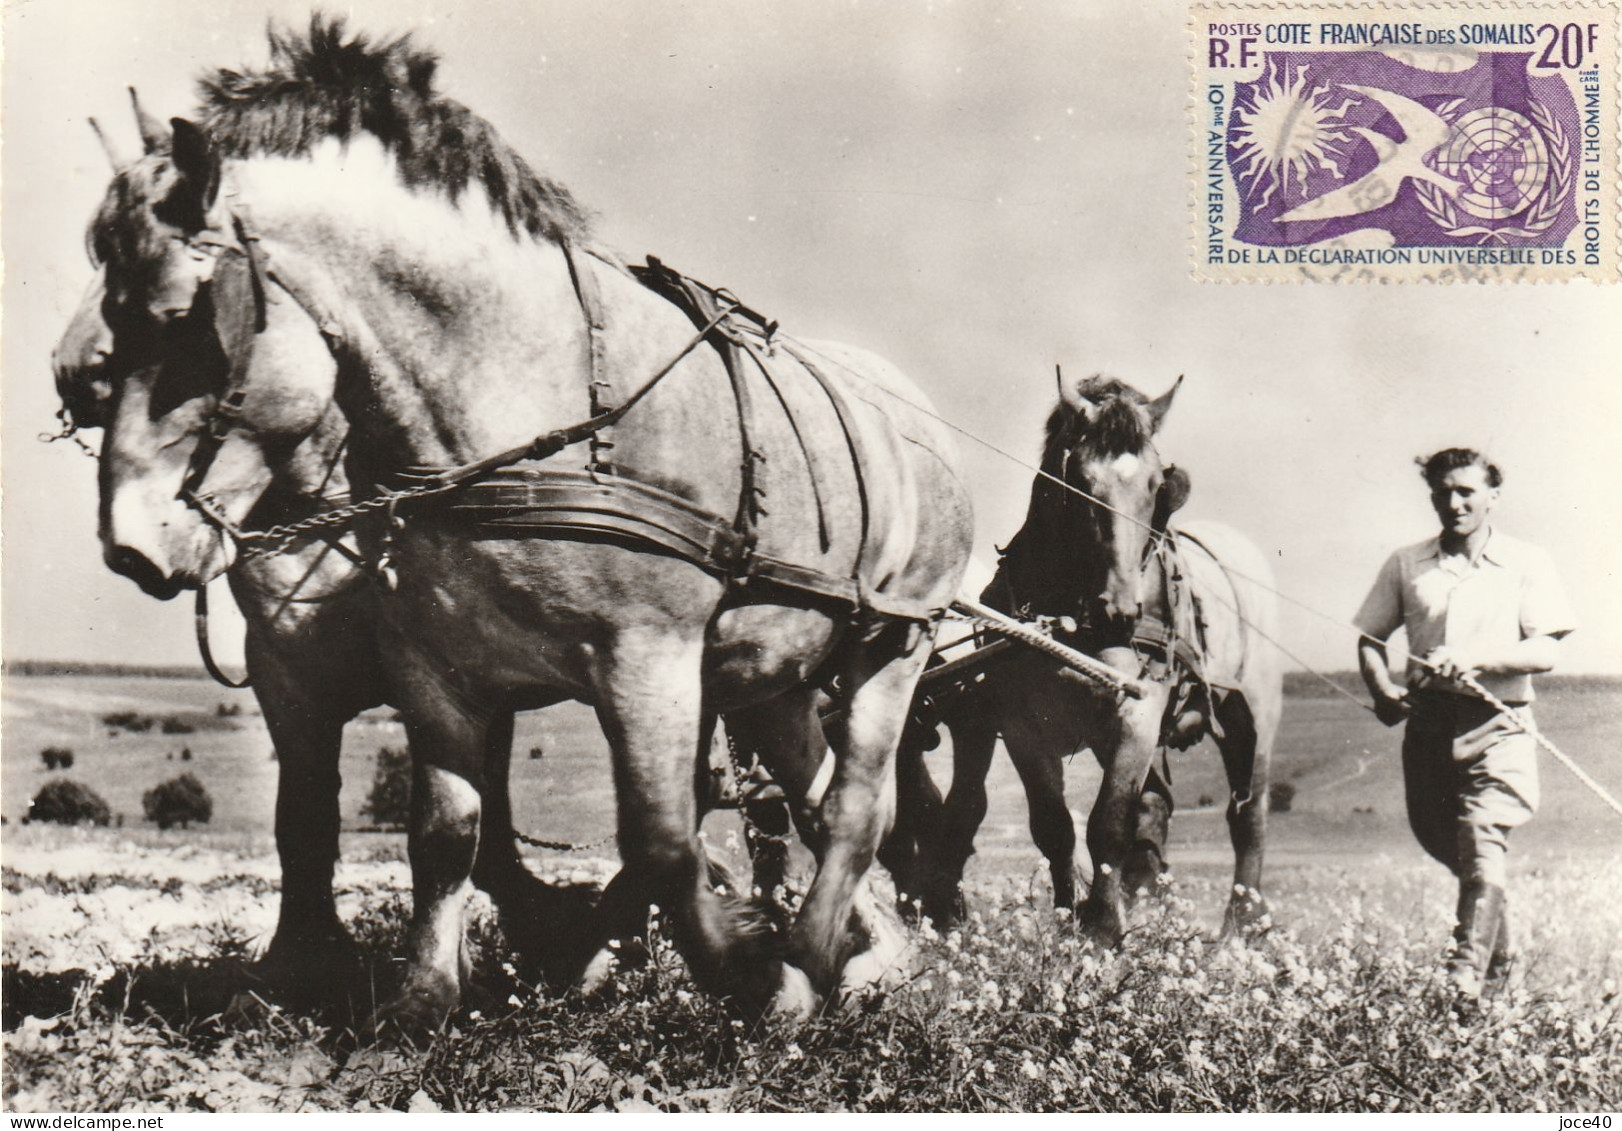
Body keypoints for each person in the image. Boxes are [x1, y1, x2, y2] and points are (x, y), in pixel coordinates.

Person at [1353, 448, 1574, 1002]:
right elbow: (1370, 638)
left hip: (1499, 722)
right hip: (1427, 728)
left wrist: (1476, 657)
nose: (1454, 503)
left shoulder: (1528, 561)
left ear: (1492, 495)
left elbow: (1545, 650)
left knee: (1481, 834)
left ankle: (1464, 974)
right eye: (1442, 492)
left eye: (1466, 492)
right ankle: (1500, 972)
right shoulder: (1406, 563)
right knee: (1442, 839)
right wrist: (1382, 690)